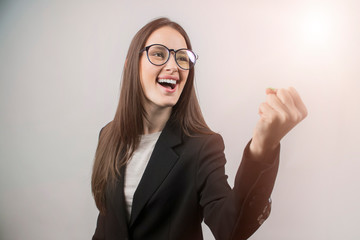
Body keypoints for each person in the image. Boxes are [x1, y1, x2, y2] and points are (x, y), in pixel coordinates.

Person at [91, 17, 307, 240]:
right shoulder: (108, 135)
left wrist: (263, 146)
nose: (174, 66)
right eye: (158, 54)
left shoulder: (202, 146)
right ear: (130, 66)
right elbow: (106, 224)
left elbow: (231, 228)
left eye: (182, 58)